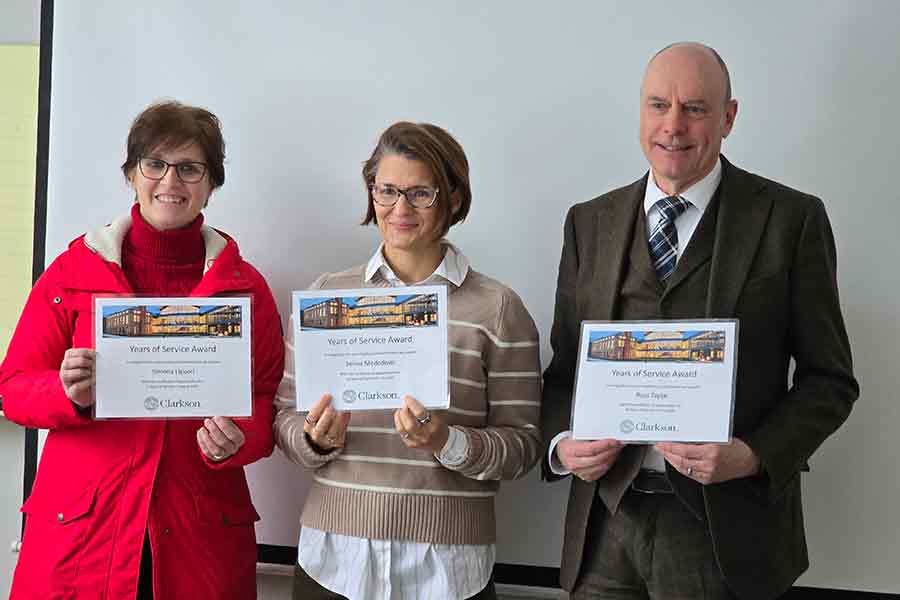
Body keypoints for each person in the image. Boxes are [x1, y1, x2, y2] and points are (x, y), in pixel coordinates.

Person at [540, 42, 859, 600]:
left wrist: (754, 454)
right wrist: (563, 442)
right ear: (640, 111)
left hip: (728, 535)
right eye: (658, 105)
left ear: (729, 117)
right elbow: (563, 371)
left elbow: (828, 381)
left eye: (695, 108)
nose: (673, 126)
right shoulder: (587, 223)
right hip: (603, 529)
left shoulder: (791, 220)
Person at [0, 101, 285, 599]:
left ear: (211, 183)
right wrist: (68, 393)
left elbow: (266, 404)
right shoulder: (72, 272)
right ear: (132, 173)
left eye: (190, 168)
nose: (170, 181)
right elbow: (13, 388)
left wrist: (239, 437)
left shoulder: (244, 288)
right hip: (82, 534)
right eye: (154, 164)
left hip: (197, 538)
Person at [274, 121, 542, 600]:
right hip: (333, 559)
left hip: (448, 567)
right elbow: (285, 419)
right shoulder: (326, 297)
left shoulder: (498, 309)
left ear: (454, 199)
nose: (400, 209)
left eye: (421, 194)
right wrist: (313, 439)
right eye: (387, 191)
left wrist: (448, 442)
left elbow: (522, 446)